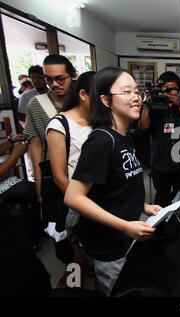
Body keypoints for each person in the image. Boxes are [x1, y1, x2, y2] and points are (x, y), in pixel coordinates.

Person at [64, 66, 162, 296]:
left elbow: (116, 188)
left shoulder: (123, 137)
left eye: (137, 91)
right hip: (110, 245)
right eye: (127, 92)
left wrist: (143, 207)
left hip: (123, 240)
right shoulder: (101, 140)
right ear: (106, 100)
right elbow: (73, 197)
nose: (136, 97)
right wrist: (126, 226)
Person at [45, 71, 96, 287]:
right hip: (75, 203)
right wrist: (85, 206)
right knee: (78, 260)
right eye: (101, 95)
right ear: (83, 94)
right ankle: (69, 288)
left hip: (97, 200)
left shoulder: (98, 122)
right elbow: (59, 176)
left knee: (94, 256)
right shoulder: (59, 125)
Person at [139, 71, 180, 207]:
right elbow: (142, 128)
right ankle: (161, 226)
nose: (169, 90)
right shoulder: (153, 106)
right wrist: (148, 105)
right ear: (160, 89)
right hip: (160, 162)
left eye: (173, 87)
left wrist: (179, 104)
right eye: (166, 87)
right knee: (161, 197)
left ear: (179, 90)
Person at [23, 54, 76, 202]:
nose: (54, 84)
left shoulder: (82, 101)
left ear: (72, 76)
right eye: (49, 79)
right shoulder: (36, 104)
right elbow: (36, 144)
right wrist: (38, 181)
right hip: (52, 174)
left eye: (60, 79)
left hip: (81, 172)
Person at [0, 134, 42, 250]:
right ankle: (36, 233)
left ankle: (30, 237)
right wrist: (16, 153)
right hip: (3, 186)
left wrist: (10, 141)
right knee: (39, 191)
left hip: (8, 182)